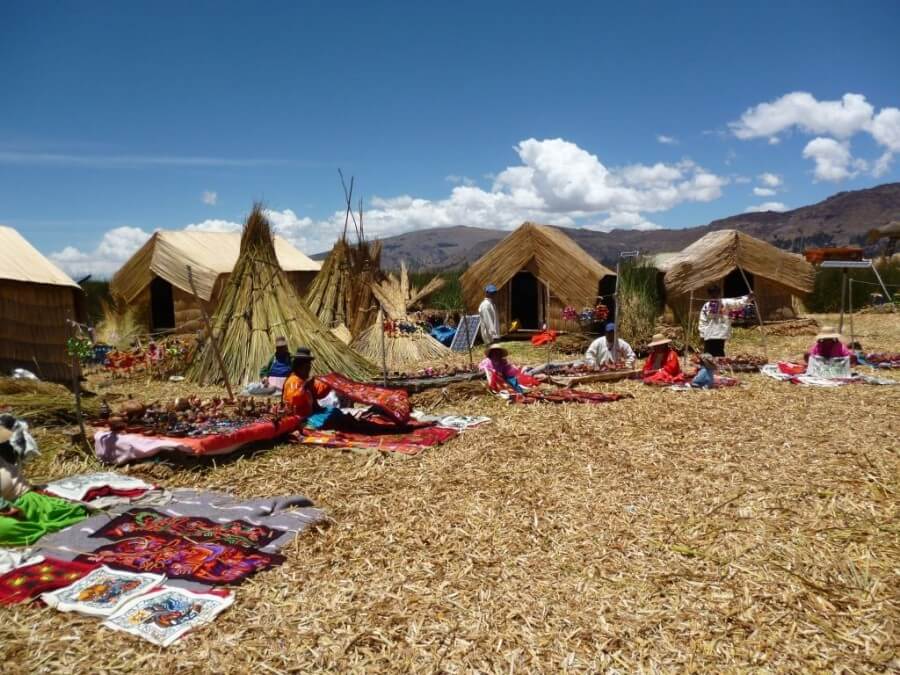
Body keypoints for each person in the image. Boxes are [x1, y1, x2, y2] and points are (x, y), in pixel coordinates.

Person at [698, 286, 754, 357]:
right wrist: (702, 333)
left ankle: (719, 366)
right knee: (708, 353)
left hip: (720, 333)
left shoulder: (726, 302)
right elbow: (702, 320)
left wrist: (748, 297)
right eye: (712, 294)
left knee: (719, 352)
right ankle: (708, 366)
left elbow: (738, 303)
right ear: (709, 294)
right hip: (709, 333)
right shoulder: (706, 306)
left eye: (716, 293)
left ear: (719, 293)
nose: (714, 295)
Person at [282, 348, 333, 418]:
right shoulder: (293, 380)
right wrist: (304, 387)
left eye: (309, 368)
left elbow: (318, 393)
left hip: (308, 415)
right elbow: (294, 400)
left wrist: (330, 383)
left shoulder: (303, 381)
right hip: (299, 419)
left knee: (334, 412)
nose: (308, 371)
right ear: (298, 367)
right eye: (306, 368)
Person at [479, 343, 543, 393]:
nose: (496, 355)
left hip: (502, 379)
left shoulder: (502, 362)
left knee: (515, 380)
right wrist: (493, 373)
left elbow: (509, 372)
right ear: (491, 354)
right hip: (493, 380)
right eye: (494, 353)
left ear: (500, 355)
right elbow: (483, 369)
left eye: (498, 353)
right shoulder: (487, 361)